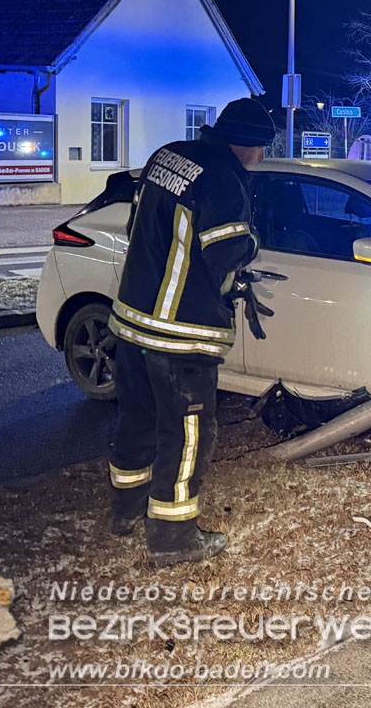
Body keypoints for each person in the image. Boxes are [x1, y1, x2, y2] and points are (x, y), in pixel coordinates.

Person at [106, 97, 273, 568]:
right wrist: (254, 242)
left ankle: (125, 513)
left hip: (132, 320)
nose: (261, 158)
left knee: (136, 419)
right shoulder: (223, 179)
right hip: (179, 331)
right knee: (187, 431)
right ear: (246, 144)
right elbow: (230, 251)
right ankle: (173, 536)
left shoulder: (169, 155)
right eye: (260, 148)